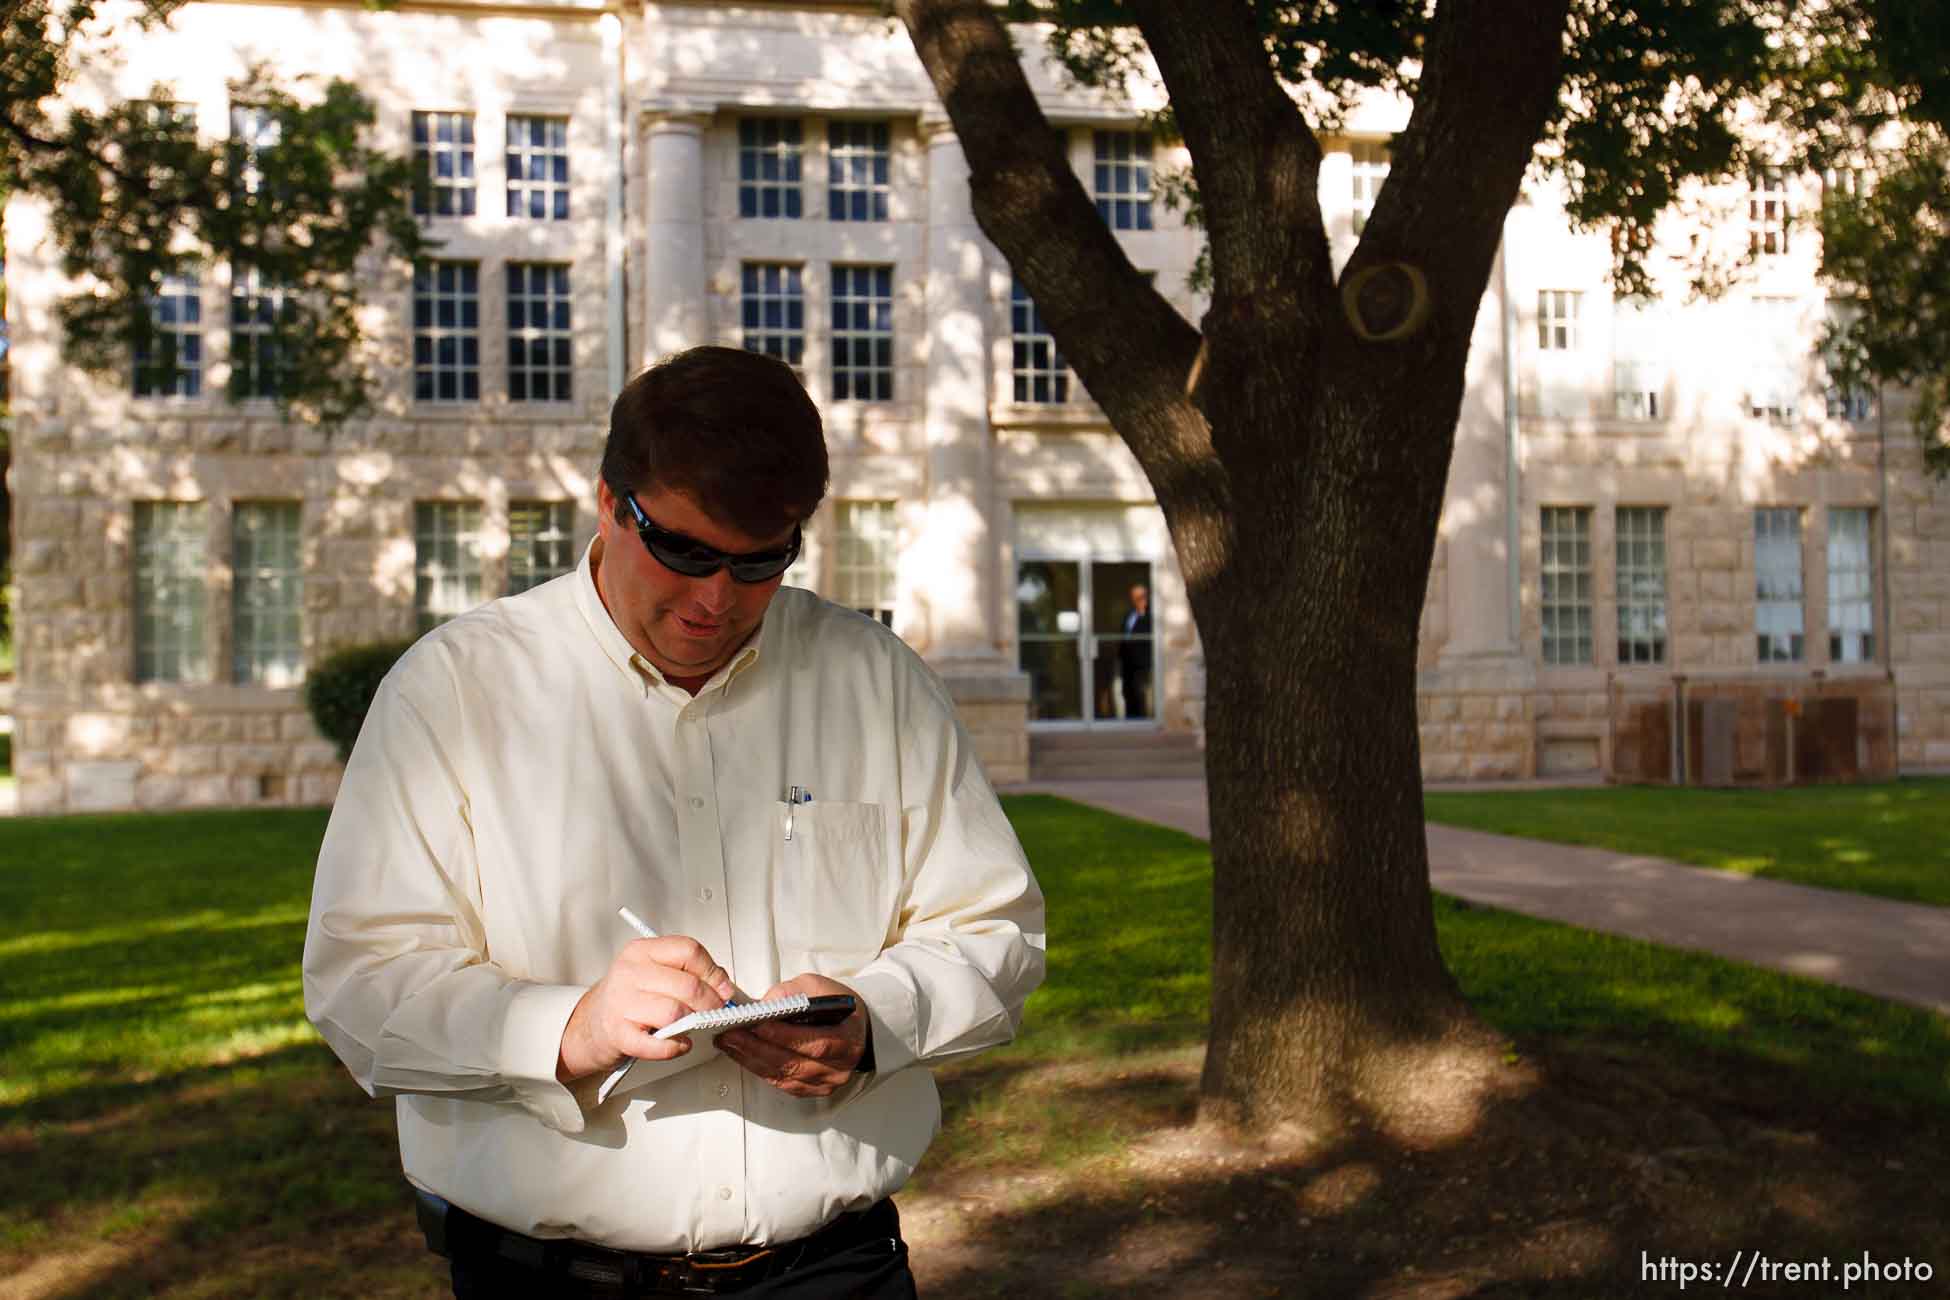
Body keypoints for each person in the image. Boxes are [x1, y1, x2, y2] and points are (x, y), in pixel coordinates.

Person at [303, 345, 1047, 1299]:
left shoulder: (876, 681)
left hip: (835, 1274)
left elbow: (995, 931)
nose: (714, 600)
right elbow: (361, 982)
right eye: (686, 552)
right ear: (611, 504)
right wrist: (567, 1030)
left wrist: (876, 1027)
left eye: (759, 563)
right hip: (552, 1282)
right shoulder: (455, 690)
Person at [1118, 584, 1152, 720]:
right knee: (1127, 691)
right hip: (1127, 661)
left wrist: (1143, 611)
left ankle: (1142, 719)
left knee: (1140, 692)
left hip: (1142, 661)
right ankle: (1130, 718)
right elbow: (1124, 635)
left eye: (1141, 596)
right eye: (1135, 597)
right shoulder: (1129, 614)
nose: (1138, 599)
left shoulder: (1149, 615)